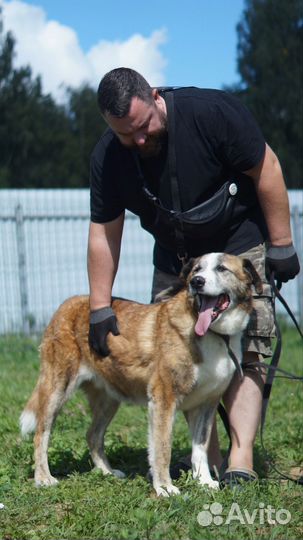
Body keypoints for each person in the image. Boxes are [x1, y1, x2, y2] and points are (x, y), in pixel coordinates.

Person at [87, 67, 300, 487]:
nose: (140, 140)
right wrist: (98, 306)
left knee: (249, 349)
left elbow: (267, 168)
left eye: (144, 126)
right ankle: (208, 463)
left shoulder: (212, 113)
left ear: (154, 94)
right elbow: (103, 231)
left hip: (236, 243)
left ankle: (240, 460)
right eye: (127, 135)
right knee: (177, 361)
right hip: (177, 258)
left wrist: (282, 243)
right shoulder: (108, 156)